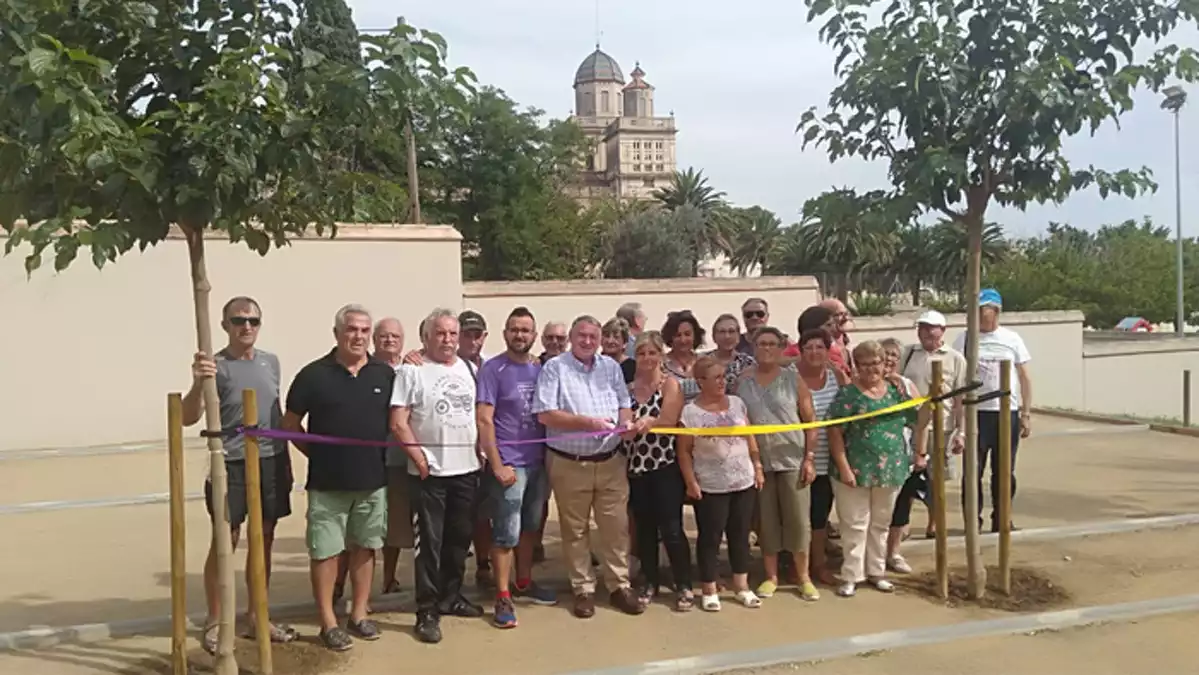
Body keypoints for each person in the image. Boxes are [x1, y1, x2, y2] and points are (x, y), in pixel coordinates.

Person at [183, 296, 296, 653]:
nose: (246, 327)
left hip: (271, 459)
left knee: (263, 538)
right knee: (225, 539)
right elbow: (188, 416)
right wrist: (197, 383)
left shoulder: (271, 362)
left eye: (253, 321)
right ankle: (216, 621)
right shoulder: (214, 366)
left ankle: (256, 616)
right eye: (238, 320)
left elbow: (275, 409)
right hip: (229, 462)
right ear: (225, 325)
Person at [283, 304, 393, 651]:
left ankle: (359, 615)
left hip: (372, 481)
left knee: (365, 548)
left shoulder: (384, 374)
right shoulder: (313, 375)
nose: (358, 336)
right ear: (337, 334)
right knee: (326, 553)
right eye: (351, 329)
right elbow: (290, 426)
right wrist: (319, 456)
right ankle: (328, 622)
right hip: (327, 484)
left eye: (364, 330)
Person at [533, 315, 644, 619]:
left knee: (615, 527)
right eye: (581, 336)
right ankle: (583, 589)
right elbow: (545, 414)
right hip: (569, 463)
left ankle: (619, 585)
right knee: (575, 530)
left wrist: (626, 424)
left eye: (593, 337)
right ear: (571, 337)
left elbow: (623, 402)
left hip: (610, 461)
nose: (587, 341)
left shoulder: (610, 367)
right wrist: (587, 423)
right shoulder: (555, 368)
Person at [390, 309, 486, 644]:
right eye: (441, 334)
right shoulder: (411, 370)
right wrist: (418, 457)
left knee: (459, 540)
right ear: (427, 337)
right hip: (429, 473)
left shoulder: (469, 368)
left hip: (467, 470)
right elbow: (398, 422)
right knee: (428, 545)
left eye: (452, 334)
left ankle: (451, 596)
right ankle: (427, 610)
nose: (447, 340)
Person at [825, 340, 929, 598]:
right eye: (865, 364)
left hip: (891, 469)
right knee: (854, 524)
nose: (872, 369)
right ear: (856, 366)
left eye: (876, 363)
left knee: (881, 523)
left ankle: (876, 571)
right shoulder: (848, 395)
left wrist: (932, 401)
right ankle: (852, 575)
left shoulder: (896, 391)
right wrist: (844, 467)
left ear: (885, 364)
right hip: (855, 469)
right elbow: (835, 432)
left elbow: (918, 420)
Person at [476, 307, 558, 630]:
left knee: (530, 526)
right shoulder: (493, 370)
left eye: (525, 330)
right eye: (514, 329)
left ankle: (524, 580)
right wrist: (496, 464)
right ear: (505, 333)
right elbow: (484, 419)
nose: (519, 335)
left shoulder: (541, 370)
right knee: (506, 532)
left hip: (538, 462)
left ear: (534, 336)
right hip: (510, 464)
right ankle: (502, 594)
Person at [737, 326, 820, 601]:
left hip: (792, 458)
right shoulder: (743, 381)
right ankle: (771, 576)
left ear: (782, 347)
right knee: (767, 522)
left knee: (797, 520)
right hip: (759, 462)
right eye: (762, 344)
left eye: (772, 344)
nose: (767, 349)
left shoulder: (793, 380)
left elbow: (811, 423)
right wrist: (754, 461)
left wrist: (809, 459)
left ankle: (803, 576)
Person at [677, 356, 765, 611]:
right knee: (710, 538)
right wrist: (690, 481)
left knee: (739, 535)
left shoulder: (737, 403)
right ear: (700, 381)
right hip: (711, 484)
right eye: (715, 377)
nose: (721, 382)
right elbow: (683, 451)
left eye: (723, 376)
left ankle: (741, 585)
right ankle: (709, 588)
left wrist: (757, 466)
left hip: (743, 480)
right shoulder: (691, 412)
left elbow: (750, 438)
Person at [623, 331, 693, 611]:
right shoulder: (627, 389)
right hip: (636, 468)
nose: (647, 358)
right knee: (645, 530)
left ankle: (684, 583)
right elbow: (624, 423)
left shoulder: (670, 385)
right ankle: (649, 581)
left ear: (661, 355)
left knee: (672, 528)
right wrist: (628, 427)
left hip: (664, 465)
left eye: (652, 353)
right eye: (641, 353)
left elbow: (668, 419)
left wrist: (650, 421)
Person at [953, 289, 1033, 532]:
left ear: (995, 311)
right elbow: (957, 377)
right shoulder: (965, 338)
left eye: (982, 310)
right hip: (975, 412)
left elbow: (1025, 377)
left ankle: (1002, 518)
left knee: (1004, 471)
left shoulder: (1011, 338)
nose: (978, 315)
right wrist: (960, 421)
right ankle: (972, 522)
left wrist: (1026, 414)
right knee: (972, 471)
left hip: (1005, 411)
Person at [894, 310, 967, 544]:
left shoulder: (955, 359)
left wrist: (961, 431)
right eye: (922, 327)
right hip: (910, 425)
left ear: (942, 330)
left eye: (931, 328)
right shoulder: (908, 354)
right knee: (907, 478)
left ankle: (935, 522)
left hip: (940, 427)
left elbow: (960, 399)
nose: (926, 332)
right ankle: (903, 524)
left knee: (936, 480)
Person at [793, 329, 848, 585]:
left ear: (828, 351)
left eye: (819, 347)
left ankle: (819, 565)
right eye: (809, 347)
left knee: (819, 517)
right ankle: (798, 565)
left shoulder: (837, 376)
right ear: (801, 351)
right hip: (799, 457)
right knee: (798, 516)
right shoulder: (790, 376)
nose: (814, 352)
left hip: (831, 457)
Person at [373, 318, 414, 597]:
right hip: (369, 460)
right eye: (384, 336)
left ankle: (389, 578)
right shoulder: (363, 369)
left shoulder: (410, 369)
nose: (389, 340)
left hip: (399, 460)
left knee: (396, 525)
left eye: (395, 336)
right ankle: (341, 585)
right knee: (362, 529)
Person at [879, 337, 924, 574]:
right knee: (877, 510)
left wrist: (920, 453)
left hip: (902, 454)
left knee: (900, 506)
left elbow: (920, 420)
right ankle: (874, 556)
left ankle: (894, 553)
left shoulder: (906, 384)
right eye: (884, 354)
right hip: (874, 458)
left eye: (894, 355)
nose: (889, 359)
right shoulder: (864, 384)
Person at [534, 319, 569, 561]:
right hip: (539, 443)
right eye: (550, 338)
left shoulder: (575, 364)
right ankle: (536, 543)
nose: (555, 342)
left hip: (570, 445)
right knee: (541, 500)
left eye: (560, 338)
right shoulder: (533, 365)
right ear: (542, 340)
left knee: (572, 505)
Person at [706, 314, 756, 392]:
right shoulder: (703, 360)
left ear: (738, 336)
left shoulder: (749, 363)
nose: (727, 336)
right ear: (713, 336)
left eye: (731, 331)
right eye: (722, 332)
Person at [662, 310, 704, 402]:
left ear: (695, 335)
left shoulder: (704, 361)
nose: (683, 340)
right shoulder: (660, 364)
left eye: (687, 334)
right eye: (678, 335)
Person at [601, 316, 637, 383]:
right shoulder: (593, 363)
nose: (610, 341)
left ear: (625, 343)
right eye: (607, 336)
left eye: (616, 337)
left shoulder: (633, 368)